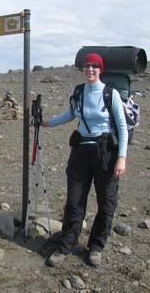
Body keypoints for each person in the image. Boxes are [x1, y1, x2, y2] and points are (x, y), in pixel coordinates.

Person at [41, 53, 128, 267]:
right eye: (86, 66)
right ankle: (65, 247)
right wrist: (48, 123)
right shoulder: (78, 91)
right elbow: (70, 114)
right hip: (80, 151)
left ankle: (96, 247)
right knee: (74, 202)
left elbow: (122, 126)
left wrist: (121, 158)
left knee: (106, 203)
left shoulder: (110, 94)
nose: (90, 69)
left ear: (101, 69)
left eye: (94, 66)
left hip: (105, 152)